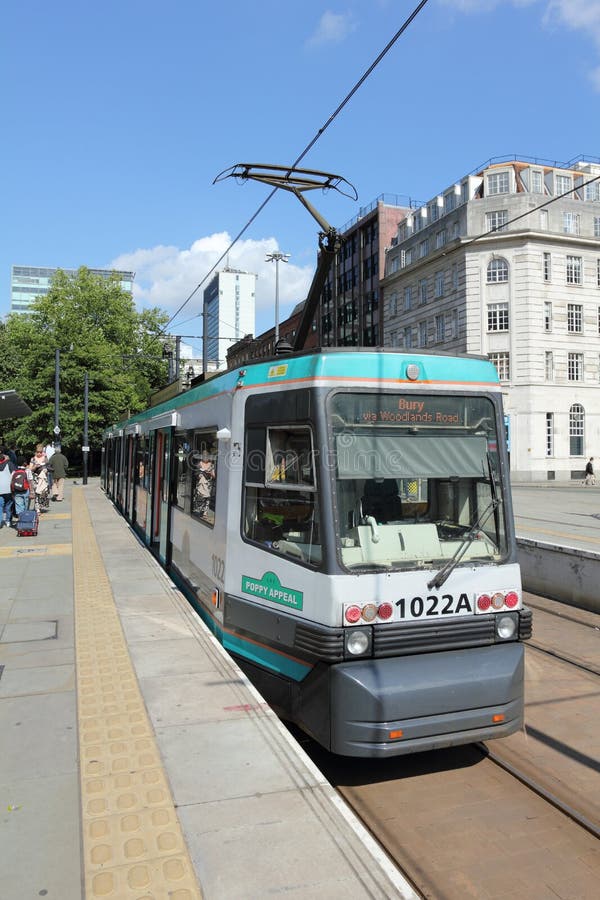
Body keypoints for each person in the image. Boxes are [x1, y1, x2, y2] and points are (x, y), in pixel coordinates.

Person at [11, 455, 33, 521]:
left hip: (17, 492)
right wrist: (32, 492)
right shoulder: (27, 471)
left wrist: (12, 493)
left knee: (19, 507)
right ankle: (25, 523)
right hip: (26, 491)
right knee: (26, 508)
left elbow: (11, 482)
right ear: (25, 463)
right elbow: (30, 482)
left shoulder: (14, 472)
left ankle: (20, 522)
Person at [31, 447, 50, 513]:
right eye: (37, 452)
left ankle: (40, 506)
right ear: (35, 452)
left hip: (43, 478)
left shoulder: (45, 459)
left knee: (43, 493)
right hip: (36, 478)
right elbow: (31, 469)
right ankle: (37, 508)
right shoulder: (33, 459)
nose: (39, 453)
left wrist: (46, 470)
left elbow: (49, 467)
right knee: (37, 492)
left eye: (40, 452)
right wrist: (35, 466)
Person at [0, 446, 15, 527]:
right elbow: (14, 474)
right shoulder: (9, 463)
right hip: (8, 489)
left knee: (0, 506)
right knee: (8, 506)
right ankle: (8, 520)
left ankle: (0, 521)